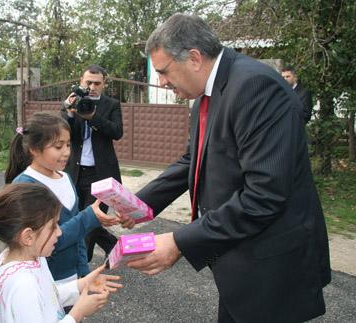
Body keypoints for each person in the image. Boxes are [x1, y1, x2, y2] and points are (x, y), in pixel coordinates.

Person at [127, 13, 331, 323]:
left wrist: (180, 241)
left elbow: (264, 196)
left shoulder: (255, 87)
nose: (161, 82)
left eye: (164, 71)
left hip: (271, 271)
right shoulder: (207, 95)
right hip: (241, 266)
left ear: (194, 58)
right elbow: (190, 161)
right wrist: (137, 205)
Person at [0, 183, 123, 322]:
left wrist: (81, 285)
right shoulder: (23, 284)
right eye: (53, 226)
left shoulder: (29, 258)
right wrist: (77, 313)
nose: (59, 232)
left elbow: (45, 298)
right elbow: (34, 297)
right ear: (28, 237)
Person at [4, 112, 131, 285]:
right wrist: (88, 217)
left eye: (69, 145)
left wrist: (82, 271)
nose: (66, 153)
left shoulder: (66, 178)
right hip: (45, 280)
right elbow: (47, 241)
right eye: (58, 147)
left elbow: (78, 236)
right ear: (34, 149)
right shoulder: (26, 186)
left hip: (73, 277)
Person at [61, 64, 123, 263]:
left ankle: (81, 267)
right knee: (78, 219)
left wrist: (93, 117)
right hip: (75, 172)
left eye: (97, 83)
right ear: (81, 82)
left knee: (90, 221)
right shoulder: (73, 102)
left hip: (101, 174)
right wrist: (69, 113)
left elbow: (117, 132)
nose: (92, 86)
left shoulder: (111, 104)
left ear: (103, 84)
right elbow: (63, 132)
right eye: (89, 82)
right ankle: (113, 245)